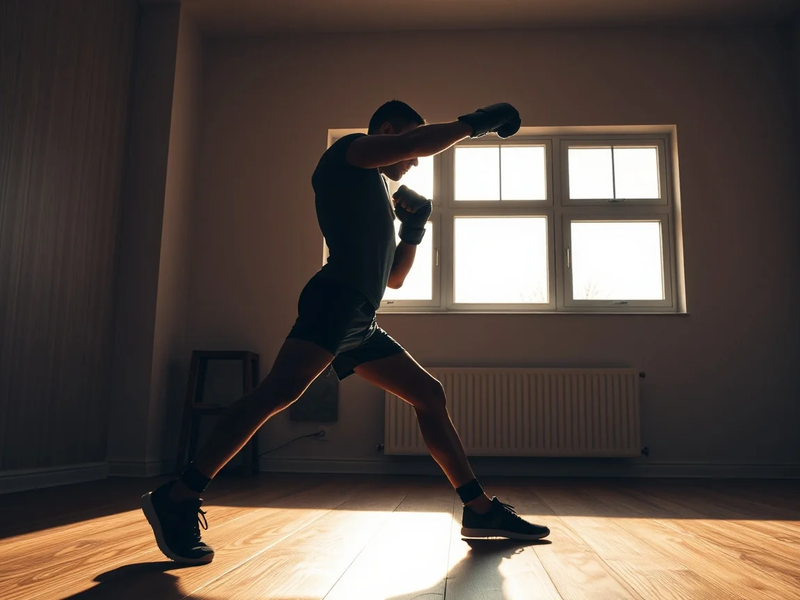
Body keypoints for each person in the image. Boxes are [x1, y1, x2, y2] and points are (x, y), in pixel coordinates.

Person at [141, 100, 551, 565]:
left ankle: (479, 511)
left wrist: (413, 229)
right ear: (388, 130)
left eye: (412, 151)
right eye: (406, 144)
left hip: (360, 316)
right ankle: (177, 496)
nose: (413, 160)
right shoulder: (348, 151)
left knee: (429, 396)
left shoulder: (373, 186)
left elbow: (393, 278)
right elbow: (417, 143)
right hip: (335, 301)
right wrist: (481, 121)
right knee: (278, 393)